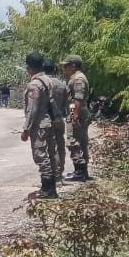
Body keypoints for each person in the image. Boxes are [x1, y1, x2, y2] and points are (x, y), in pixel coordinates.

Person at [20, 53, 58, 199]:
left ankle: (48, 189)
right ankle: (51, 187)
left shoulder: (34, 84)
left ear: (29, 68)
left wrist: (26, 129)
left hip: (39, 125)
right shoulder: (48, 80)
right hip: (50, 122)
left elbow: (32, 109)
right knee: (50, 154)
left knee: (41, 156)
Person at [63, 54, 93, 182]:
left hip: (78, 112)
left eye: (67, 65)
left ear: (73, 65)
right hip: (78, 111)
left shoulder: (78, 79)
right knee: (81, 141)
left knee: (74, 141)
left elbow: (78, 98)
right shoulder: (76, 77)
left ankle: (80, 171)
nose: (65, 68)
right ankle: (82, 170)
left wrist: (74, 116)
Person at [42, 60, 69, 183]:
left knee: (48, 148)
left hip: (45, 120)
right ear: (55, 70)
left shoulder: (41, 84)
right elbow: (66, 104)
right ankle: (58, 175)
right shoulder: (61, 85)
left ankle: (50, 175)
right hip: (58, 119)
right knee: (60, 147)